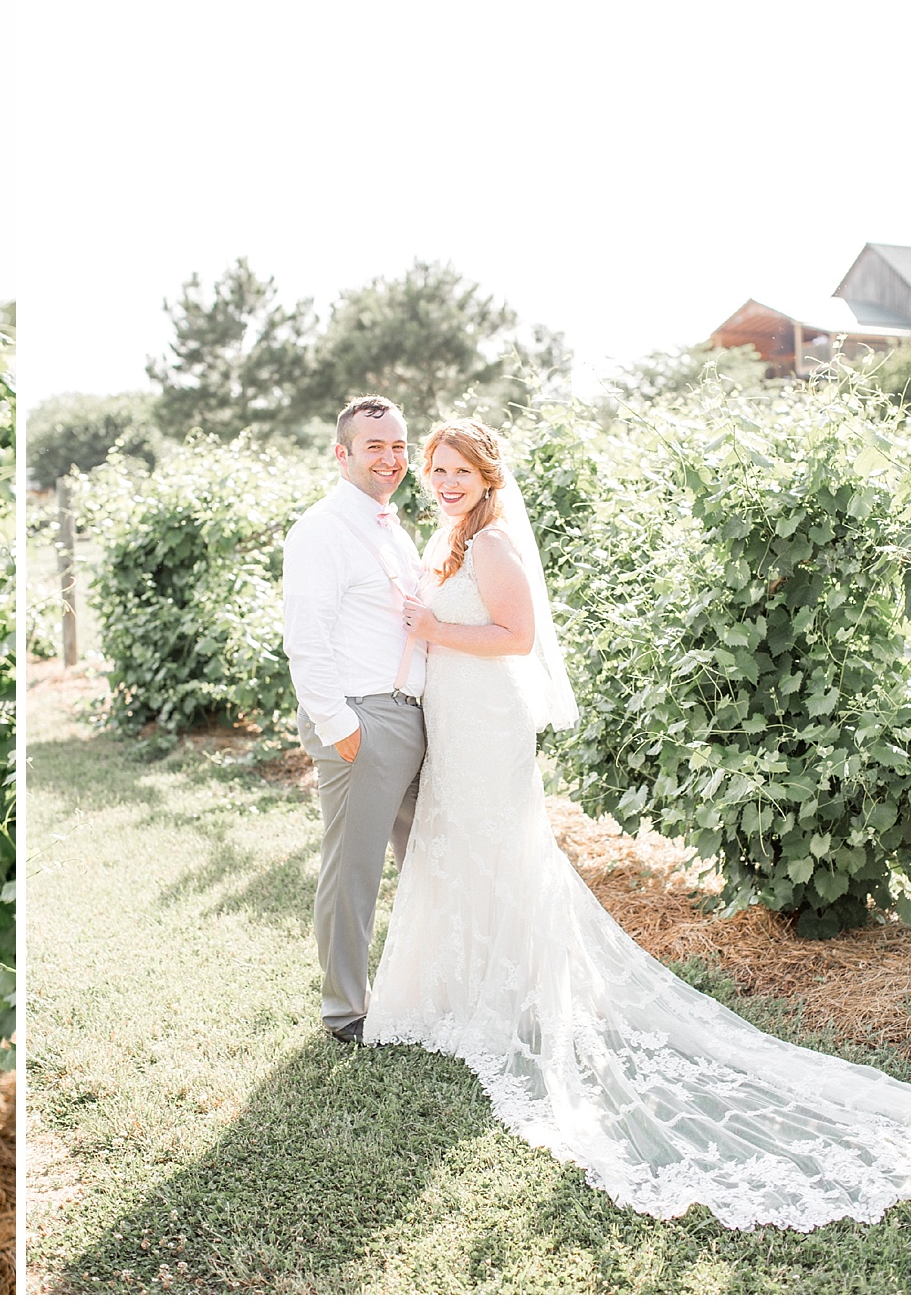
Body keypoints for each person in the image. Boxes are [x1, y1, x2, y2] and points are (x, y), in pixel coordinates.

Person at [363, 418, 909, 1231]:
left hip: (489, 721)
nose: (442, 481)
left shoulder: (496, 546)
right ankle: (463, 988)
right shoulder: (453, 539)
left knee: (501, 848)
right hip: (456, 713)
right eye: (436, 470)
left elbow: (517, 637)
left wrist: (434, 628)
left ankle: (510, 993)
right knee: (457, 847)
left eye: (459, 471)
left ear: (487, 477)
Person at [281, 395, 427, 1047]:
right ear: (341, 454)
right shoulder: (321, 530)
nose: (391, 458)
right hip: (362, 720)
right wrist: (341, 728)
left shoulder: (390, 527)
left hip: (409, 718)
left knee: (425, 863)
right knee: (354, 872)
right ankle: (346, 1011)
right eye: (376, 447)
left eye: (398, 446)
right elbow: (305, 641)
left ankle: (420, 987)